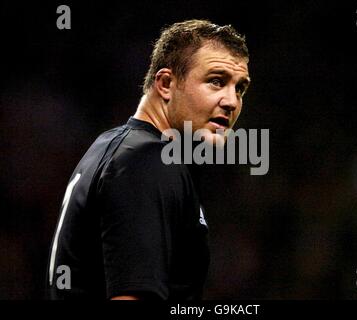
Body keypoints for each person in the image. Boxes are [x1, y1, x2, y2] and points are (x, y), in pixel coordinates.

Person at [46, 19, 251, 300]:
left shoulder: (115, 146)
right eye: (216, 81)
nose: (231, 101)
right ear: (166, 84)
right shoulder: (147, 163)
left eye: (240, 88)